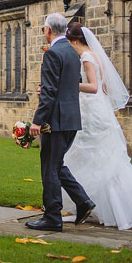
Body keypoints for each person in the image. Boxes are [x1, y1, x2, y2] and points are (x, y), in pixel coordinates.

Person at [61, 21, 132, 230]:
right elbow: (104, 86)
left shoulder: (86, 57)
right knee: (96, 160)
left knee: (94, 160)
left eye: (70, 42)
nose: (69, 46)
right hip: (97, 110)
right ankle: (96, 207)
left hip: (91, 113)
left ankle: (100, 206)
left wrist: (68, 84)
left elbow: (94, 87)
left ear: (76, 40)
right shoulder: (96, 56)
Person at [25, 12, 95, 233]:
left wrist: (37, 122)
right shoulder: (73, 53)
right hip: (71, 119)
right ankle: (82, 201)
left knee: (50, 169)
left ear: (48, 30)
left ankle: (52, 217)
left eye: (43, 30)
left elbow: (50, 93)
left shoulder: (52, 53)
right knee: (56, 164)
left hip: (55, 121)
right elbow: (72, 84)